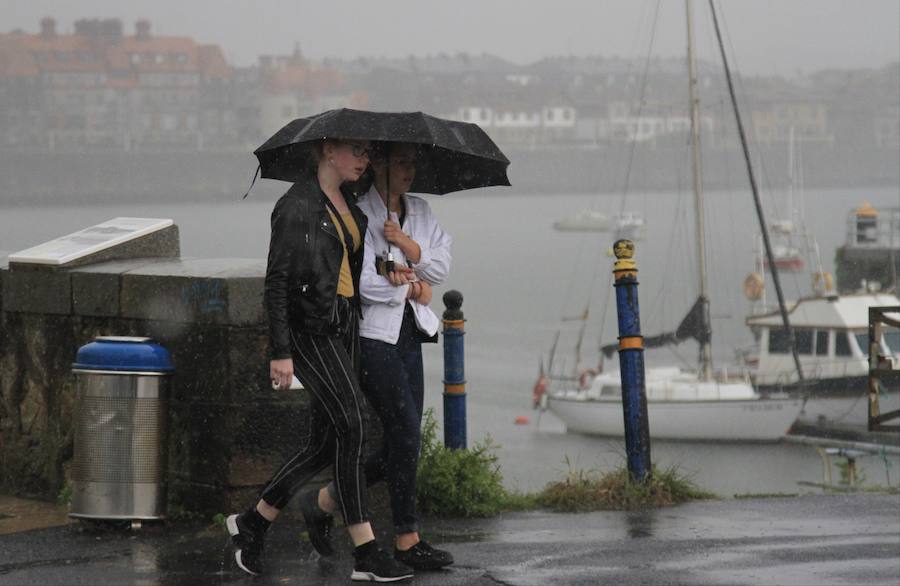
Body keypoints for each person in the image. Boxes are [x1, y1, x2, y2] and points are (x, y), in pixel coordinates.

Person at [226, 137, 414, 582]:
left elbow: (343, 269)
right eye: (356, 151)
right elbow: (277, 281)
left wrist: (388, 268)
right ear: (329, 150)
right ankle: (366, 551)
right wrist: (280, 351)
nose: (364, 160)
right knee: (355, 424)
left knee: (326, 444)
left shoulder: (349, 204)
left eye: (367, 153)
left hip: (344, 324)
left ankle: (253, 522)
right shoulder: (297, 206)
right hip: (311, 329)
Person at [300, 141, 455, 571]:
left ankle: (324, 500)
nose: (410, 171)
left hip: (411, 333)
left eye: (413, 163)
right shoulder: (359, 213)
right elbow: (363, 284)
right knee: (405, 433)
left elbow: (441, 267)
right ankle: (407, 539)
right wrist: (413, 288)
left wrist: (404, 243)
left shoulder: (419, 210)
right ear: (380, 165)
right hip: (372, 337)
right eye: (402, 162)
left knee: (404, 440)